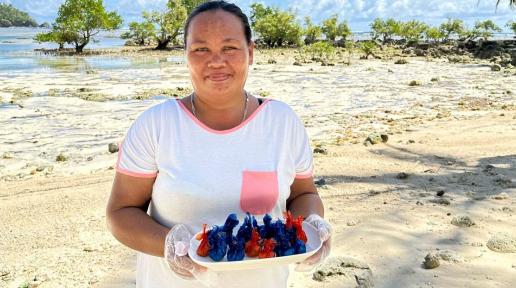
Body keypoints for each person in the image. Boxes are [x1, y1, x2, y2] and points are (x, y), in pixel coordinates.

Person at [106, 1, 332, 287]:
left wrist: (310, 226)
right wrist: (169, 244)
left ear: (250, 53)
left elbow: (303, 194)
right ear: (186, 56)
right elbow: (121, 213)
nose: (216, 61)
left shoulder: (282, 122)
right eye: (201, 49)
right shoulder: (156, 125)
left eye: (230, 48)